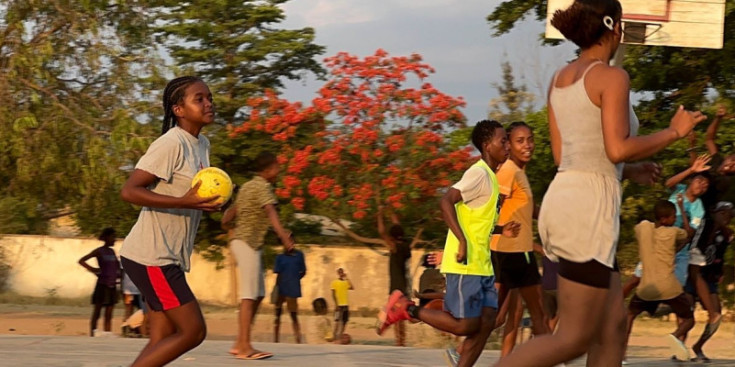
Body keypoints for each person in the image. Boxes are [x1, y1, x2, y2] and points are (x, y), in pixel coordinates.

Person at [495, 1, 705, 365]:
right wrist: (674, 131)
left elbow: (568, 156)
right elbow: (618, 146)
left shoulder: (560, 78)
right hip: (587, 211)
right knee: (574, 339)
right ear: (613, 26)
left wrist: (630, 171)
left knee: (611, 331)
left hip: (566, 197)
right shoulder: (612, 77)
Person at [377, 120, 520, 367]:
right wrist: (462, 241)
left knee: (488, 322)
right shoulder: (478, 173)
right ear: (487, 145)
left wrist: (500, 229)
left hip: (482, 264)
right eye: (503, 140)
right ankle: (406, 309)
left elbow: (477, 219)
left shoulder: (492, 178)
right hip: (465, 263)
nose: (508, 146)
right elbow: (446, 201)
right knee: (466, 325)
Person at [119, 76, 221, 366]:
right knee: (192, 331)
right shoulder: (170, 143)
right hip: (152, 257)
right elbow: (129, 191)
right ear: (178, 109)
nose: (208, 103)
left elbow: (191, 191)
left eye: (209, 97)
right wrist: (184, 202)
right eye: (198, 99)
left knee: (162, 338)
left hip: (168, 256)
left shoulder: (201, 143)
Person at [221, 151, 295, 360]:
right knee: (248, 295)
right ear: (269, 169)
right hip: (247, 244)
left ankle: (239, 341)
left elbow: (231, 213)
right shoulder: (263, 187)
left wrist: (226, 224)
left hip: (246, 243)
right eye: (277, 167)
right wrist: (284, 237)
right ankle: (244, 347)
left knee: (258, 293)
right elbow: (271, 212)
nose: (279, 170)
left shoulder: (247, 186)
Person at [490, 121, 550, 358]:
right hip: (512, 251)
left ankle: (468, 351)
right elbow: (490, 208)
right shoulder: (508, 171)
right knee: (537, 313)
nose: (528, 145)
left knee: (505, 315)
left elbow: (531, 209)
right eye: (520, 141)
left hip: (513, 251)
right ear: (509, 145)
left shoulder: (518, 172)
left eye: (530, 139)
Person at [623, 200, 694, 363]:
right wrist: (683, 209)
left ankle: (622, 353)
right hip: (669, 287)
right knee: (689, 319)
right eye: (672, 217)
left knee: (629, 315)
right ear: (665, 219)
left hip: (646, 288)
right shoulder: (674, 232)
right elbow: (689, 232)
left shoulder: (642, 229)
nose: (674, 219)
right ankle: (675, 336)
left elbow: (643, 226)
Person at [685, 201, 734, 362]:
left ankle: (698, 346)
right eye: (724, 213)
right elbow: (694, 250)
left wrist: (719, 272)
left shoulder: (726, 235)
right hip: (694, 275)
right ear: (716, 213)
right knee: (686, 314)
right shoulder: (704, 226)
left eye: (730, 215)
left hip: (709, 279)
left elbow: (720, 257)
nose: (727, 217)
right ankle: (678, 344)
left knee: (717, 315)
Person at [377, 205, 412, 346]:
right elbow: (397, 224)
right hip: (403, 283)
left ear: (392, 237)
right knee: (401, 313)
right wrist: (390, 208)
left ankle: (399, 341)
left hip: (396, 286)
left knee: (395, 313)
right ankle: (401, 340)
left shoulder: (394, 247)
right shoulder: (405, 246)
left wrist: (379, 214)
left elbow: (381, 232)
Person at [78, 227, 120, 337]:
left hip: (112, 285)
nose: (114, 239)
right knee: (97, 310)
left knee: (109, 312)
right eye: (112, 237)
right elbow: (82, 260)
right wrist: (93, 269)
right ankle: (93, 332)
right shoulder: (99, 251)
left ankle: (107, 333)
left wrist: (119, 275)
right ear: (106, 238)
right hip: (102, 284)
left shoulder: (112, 251)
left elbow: (116, 267)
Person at [273, 245, 306, 343]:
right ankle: (276, 339)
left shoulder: (299, 255)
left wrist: (294, 279)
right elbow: (278, 274)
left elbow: (303, 271)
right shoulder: (280, 257)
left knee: (293, 314)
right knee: (277, 314)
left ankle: (298, 338)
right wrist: (277, 288)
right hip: (281, 287)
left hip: (292, 288)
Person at [331, 267, 354, 344]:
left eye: (342, 272)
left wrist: (347, 278)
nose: (341, 274)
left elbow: (352, 287)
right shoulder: (334, 282)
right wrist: (336, 304)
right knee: (337, 321)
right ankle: (334, 337)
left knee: (344, 322)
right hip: (339, 305)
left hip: (345, 305)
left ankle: (340, 337)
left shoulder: (346, 282)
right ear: (338, 273)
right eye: (340, 272)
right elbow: (333, 294)